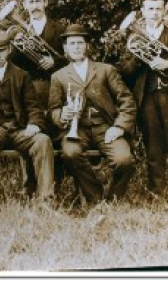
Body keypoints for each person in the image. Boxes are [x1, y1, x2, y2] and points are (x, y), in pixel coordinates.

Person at [48, 24, 136, 205]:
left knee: (124, 160)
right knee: (70, 154)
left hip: (105, 127)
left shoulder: (106, 70)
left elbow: (127, 101)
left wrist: (119, 127)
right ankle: (95, 197)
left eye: (80, 43)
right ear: (65, 48)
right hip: (76, 129)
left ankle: (113, 200)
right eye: (72, 43)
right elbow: (53, 110)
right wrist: (62, 114)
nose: (76, 47)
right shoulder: (58, 76)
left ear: (86, 45)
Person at [0, 30, 54, 206]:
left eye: (2, 50)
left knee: (43, 140)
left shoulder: (22, 76)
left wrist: (35, 124)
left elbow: (33, 106)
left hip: (20, 130)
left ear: (9, 51)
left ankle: (46, 199)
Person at [4, 0, 67, 196]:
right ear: (24, 5)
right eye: (30, 2)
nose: (35, 6)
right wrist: (15, 45)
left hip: (54, 86)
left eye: (38, 1)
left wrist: (54, 61)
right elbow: (11, 62)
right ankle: (29, 184)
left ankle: (53, 185)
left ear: (45, 2)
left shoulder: (60, 29)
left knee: (54, 134)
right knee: (30, 132)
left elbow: (70, 59)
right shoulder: (19, 32)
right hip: (28, 89)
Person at [119, 0, 168, 196]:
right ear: (143, 12)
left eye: (158, 9)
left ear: (164, 11)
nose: (154, 13)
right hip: (147, 98)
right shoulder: (133, 38)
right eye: (150, 9)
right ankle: (157, 193)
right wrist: (138, 57)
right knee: (153, 147)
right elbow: (125, 71)